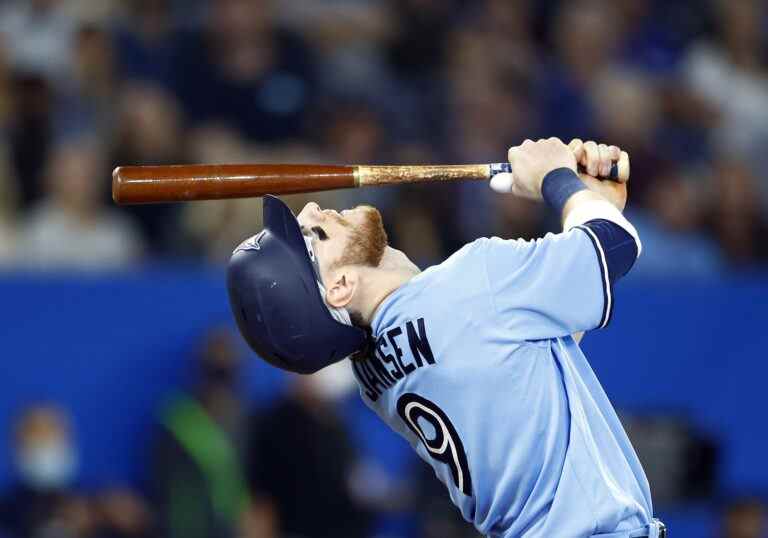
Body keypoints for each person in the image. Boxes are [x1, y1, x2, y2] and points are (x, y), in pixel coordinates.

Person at [226, 138, 666, 537]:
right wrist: (556, 178)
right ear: (339, 287)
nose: (312, 211)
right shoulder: (469, 285)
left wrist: (590, 202)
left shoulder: (372, 374)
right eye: (313, 236)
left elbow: (538, 345)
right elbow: (614, 247)